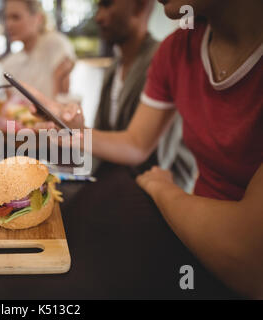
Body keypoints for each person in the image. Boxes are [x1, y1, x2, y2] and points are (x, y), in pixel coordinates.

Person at [27, 0, 263, 298]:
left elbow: (251, 256)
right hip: (192, 244)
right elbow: (136, 143)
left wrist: (163, 189)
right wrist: (75, 134)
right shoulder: (176, 50)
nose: (100, 16)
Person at [94, 0, 196, 191]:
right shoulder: (113, 69)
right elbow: (101, 137)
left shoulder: (163, 60)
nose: (98, 17)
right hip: (119, 178)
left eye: (107, 5)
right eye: (98, 8)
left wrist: (72, 134)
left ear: (140, 6)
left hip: (160, 186)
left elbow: (154, 158)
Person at [3, 0, 76, 98]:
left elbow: (61, 102)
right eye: (6, 18)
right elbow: (9, 108)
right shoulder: (9, 63)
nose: (9, 24)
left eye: (16, 17)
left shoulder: (56, 45)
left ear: (38, 18)